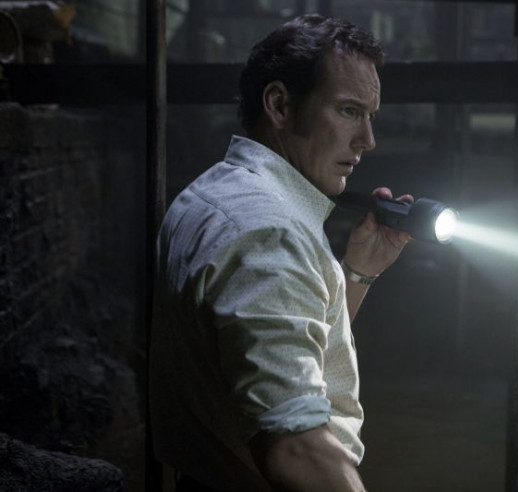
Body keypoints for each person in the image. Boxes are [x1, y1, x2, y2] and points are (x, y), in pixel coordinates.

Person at [150, 14, 412, 492]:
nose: (367, 140)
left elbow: (285, 352)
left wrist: (357, 273)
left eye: (370, 116)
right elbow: (294, 448)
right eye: (349, 111)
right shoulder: (269, 232)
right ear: (279, 104)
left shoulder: (210, 195)